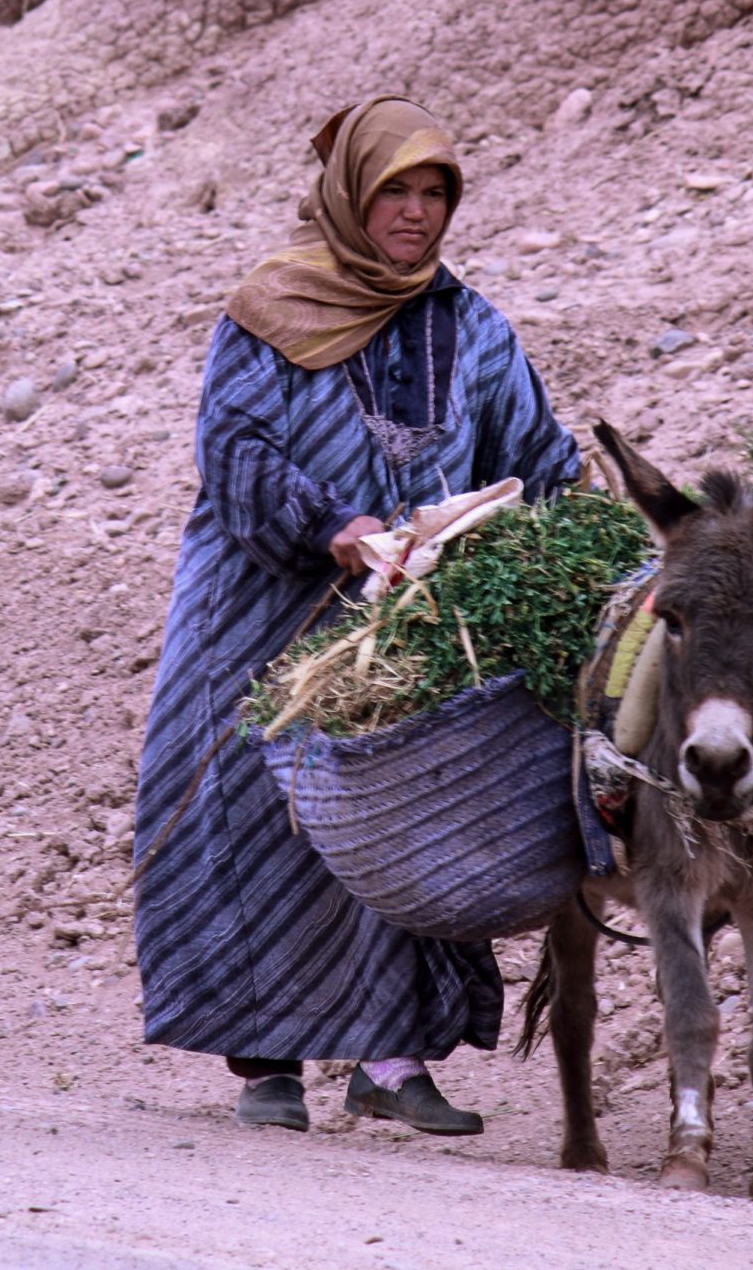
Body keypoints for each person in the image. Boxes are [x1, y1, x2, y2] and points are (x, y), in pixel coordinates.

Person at [132, 96, 581, 1135]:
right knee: (255, 819)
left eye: (434, 194)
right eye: (396, 193)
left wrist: (589, 530)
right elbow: (235, 456)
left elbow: (536, 455)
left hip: (402, 615)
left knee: (398, 815)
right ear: (349, 197)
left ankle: (391, 1060)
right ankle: (267, 1067)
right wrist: (332, 526)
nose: (416, 214)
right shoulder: (266, 311)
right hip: (256, 612)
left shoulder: (470, 326)